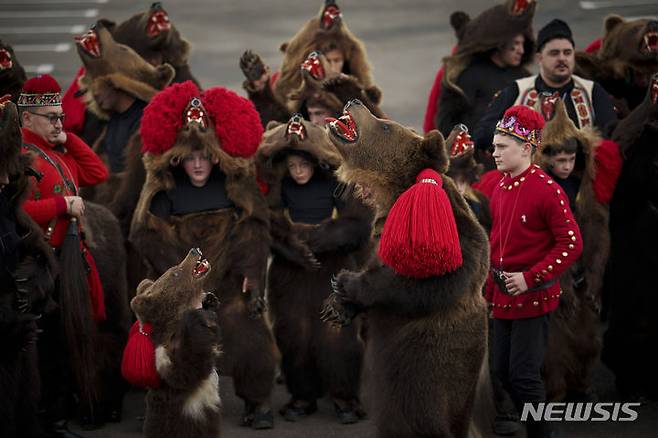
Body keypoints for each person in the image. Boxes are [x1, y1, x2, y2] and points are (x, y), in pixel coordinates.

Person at [130, 82, 278, 430]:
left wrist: (252, 273)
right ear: (178, 158)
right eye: (190, 158)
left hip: (226, 281)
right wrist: (178, 280)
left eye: (204, 158)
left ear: (215, 156)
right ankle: (169, 406)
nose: (197, 165)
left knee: (248, 330)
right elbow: (144, 233)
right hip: (181, 284)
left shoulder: (234, 182)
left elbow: (254, 228)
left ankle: (258, 400)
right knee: (173, 340)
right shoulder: (163, 187)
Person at [17, 74, 115, 430]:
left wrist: (69, 138)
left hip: (71, 261)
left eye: (61, 115)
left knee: (72, 338)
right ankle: (48, 417)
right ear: (27, 119)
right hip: (43, 265)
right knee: (50, 348)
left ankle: (65, 409)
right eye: (51, 117)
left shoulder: (57, 151)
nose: (59, 122)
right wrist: (62, 204)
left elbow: (97, 172)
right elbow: (18, 210)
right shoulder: (20, 157)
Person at [485, 105, 583, 438]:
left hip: (533, 296)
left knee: (524, 375)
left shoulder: (547, 190)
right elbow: (497, 241)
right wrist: (489, 285)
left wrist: (531, 277)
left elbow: (571, 244)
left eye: (502, 146)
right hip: (501, 297)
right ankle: (534, 424)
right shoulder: (500, 187)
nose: (494, 151)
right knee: (501, 369)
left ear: (526, 148)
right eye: (495, 145)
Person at [474, 19, 618, 155]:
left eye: (567, 53)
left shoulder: (592, 91)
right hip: (528, 178)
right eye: (554, 53)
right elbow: (482, 133)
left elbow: (610, 136)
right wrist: (520, 133)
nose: (562, 58)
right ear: (539, 58)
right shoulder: (517, 90)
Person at [434, 0, 536, 138]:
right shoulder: (469, 76)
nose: (521, 50)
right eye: (516, 44)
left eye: (523, 44)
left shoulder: (523, 76)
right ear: (500, 44)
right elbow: (448, 124)